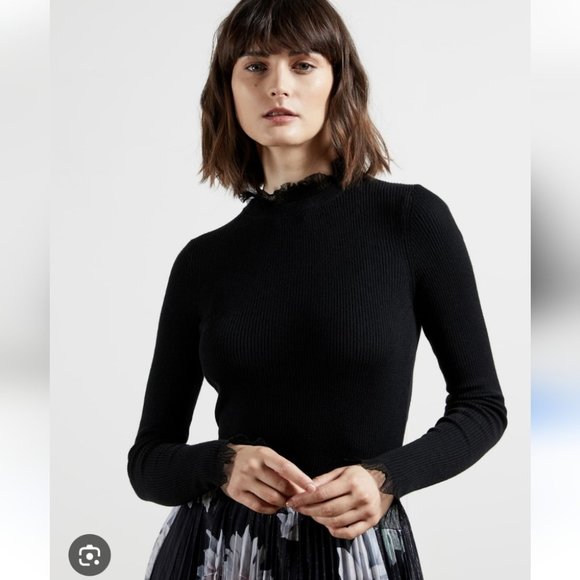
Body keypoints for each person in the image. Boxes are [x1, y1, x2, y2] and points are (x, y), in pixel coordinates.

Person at [127, 0, 509, 578]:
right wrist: (222, 464)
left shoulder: (411, 221)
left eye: (302, 64)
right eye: (255, 66)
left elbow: (482, 407)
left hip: (359, 551)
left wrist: (386, 478)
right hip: (218, 553)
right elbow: (148, 462)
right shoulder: (203, 261)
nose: (277, 85)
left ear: (338, 81)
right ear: (228, 90)